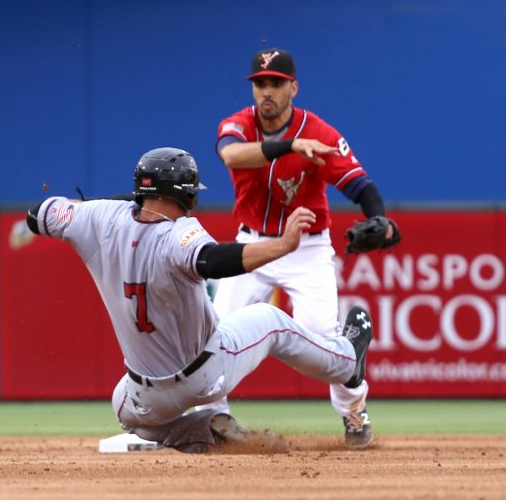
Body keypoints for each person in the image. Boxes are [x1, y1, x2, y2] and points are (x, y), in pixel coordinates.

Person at [25, 146, 373, 453]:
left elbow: (37, 213)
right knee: (271, 320)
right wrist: (282, 246)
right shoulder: (180, 231)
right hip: (207, 374)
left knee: (126, 411)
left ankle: (199, 431)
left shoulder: (94, 218)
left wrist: (92, 208)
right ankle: (346, 361)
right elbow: (213, 260)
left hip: (144, 399)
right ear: (184, 192)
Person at [209, 48, 401, 449]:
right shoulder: (239, 123)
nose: (267, 91)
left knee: (323, 343)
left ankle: (353, 412)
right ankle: (214, 417)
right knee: (215, 334)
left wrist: (379, 218)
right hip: (253, 247)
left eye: (277, 83)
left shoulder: (320, 132)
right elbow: (230, 154)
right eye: (261, 83)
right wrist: (292, 147)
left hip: (307, 251)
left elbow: (360, 184)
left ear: (293, 87)